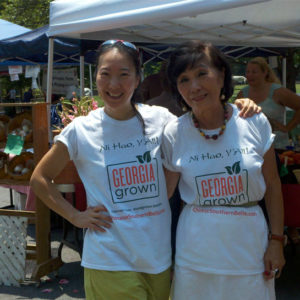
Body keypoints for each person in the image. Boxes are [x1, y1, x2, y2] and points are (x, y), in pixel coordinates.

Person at [30, 39, 260, 300]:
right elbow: (40, 178)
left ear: (138, 78)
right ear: (95, 77)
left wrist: (238, 108)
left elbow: (203, 124)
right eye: (105, 74)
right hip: (109, 260)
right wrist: (75, 216)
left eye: (124, 75)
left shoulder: (161, 120)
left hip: (158, 260)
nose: (114, 84)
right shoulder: (81, 130)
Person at [162, 41, 285, 300]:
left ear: (222, 75)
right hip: (195, 255)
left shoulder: (253, 120)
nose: (194, 86)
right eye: (183, 79)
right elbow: (163, 197)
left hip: (250, 250)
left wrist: (276, 241)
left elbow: (273, 185)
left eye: (201, 73)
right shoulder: (175, 132)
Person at [237, 57, 300, 244]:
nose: (249, 75)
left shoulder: (277, 91)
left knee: (277, 187)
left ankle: (287, 228)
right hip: (251, 151)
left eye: (254, 71)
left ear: (265, 72)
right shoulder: (243, 93)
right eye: (247, 71)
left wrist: (288, 127)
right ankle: (260, 225)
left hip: (278, 148)